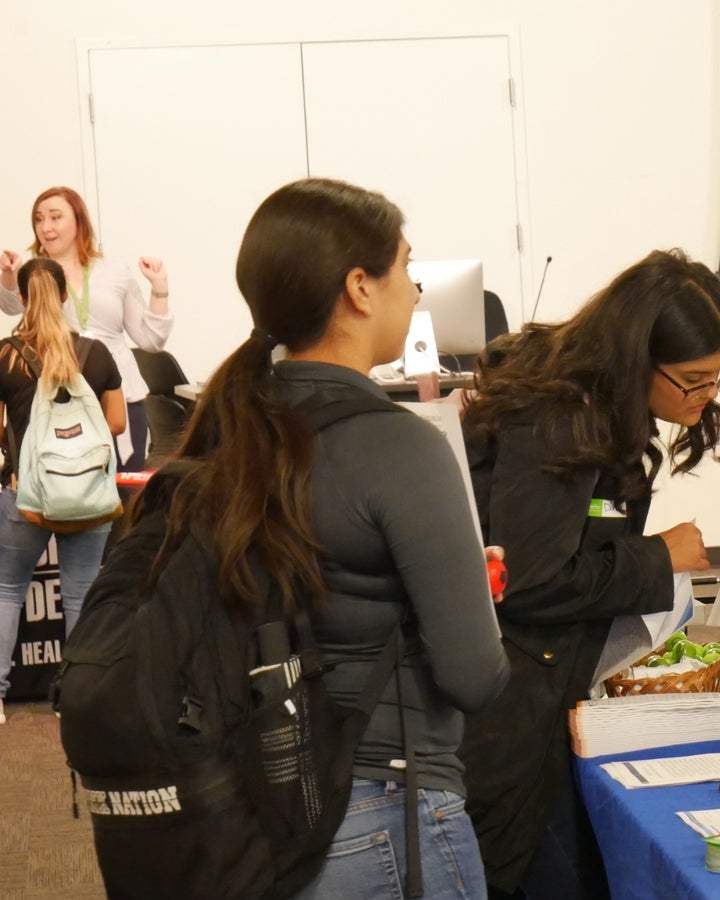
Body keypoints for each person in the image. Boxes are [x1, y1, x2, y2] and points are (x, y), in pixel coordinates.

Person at [152, 177, 509, 899]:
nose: (414, 291)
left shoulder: (228, 434)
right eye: (405, 269)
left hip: (260, 809)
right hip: (385, 811)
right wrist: (468, 588)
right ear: (359, 288)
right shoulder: (400, 448)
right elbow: (474, 676)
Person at [457, 248, 720, 899]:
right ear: (638, 359)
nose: (709, 393)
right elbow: (526, 581)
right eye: (694, 378)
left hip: (553, 689)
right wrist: (658, 557)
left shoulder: (595, 410)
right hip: (513, 719)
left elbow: (584, 525)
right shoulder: (558, 416)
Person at [0, 258, 124, 726]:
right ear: (66, 295)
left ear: (24, 298)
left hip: (22, 493)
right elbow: (114, 424)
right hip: (89, 493)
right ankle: (79, 697)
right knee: (81, 593)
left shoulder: (5, 355)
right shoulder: (94, 353)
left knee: (7, 590)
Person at [0, 186, 174, 471]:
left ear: (79, 221)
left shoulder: (115, 272)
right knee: (66, 488)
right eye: (39, 219)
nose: (46, 227)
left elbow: (150, 340)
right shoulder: (38, 273)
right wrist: (9, 275)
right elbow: (11, 306)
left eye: (55, 217)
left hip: (118, 395)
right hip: (58, 397)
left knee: (122, 490)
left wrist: (160, 289)